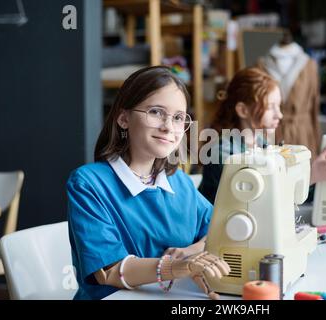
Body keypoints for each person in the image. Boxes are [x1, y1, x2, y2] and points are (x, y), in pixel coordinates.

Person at [67, 66, 230, 300]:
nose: (168, 127)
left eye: (178, 118)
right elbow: (109, 272)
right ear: (123, 118)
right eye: (155, 112)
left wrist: (191, 253)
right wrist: (178, 265)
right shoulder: (89, 183)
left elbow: (219, 230)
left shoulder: (180, 183)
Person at [199, 67, 326, 204]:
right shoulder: (222, 154)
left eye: (278, 106)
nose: (279, 115)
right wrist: (312, 175)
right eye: (270, 107)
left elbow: (293, 197)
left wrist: (320, 176)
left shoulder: (262, 143)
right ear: (243, 110)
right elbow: (255, 204)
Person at [259, 30, 321, 158]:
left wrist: (316, 140)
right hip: (272, 134)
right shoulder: (262, 65)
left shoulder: (309, 65)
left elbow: (314, 106)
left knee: (304, 173)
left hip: (302, 133)